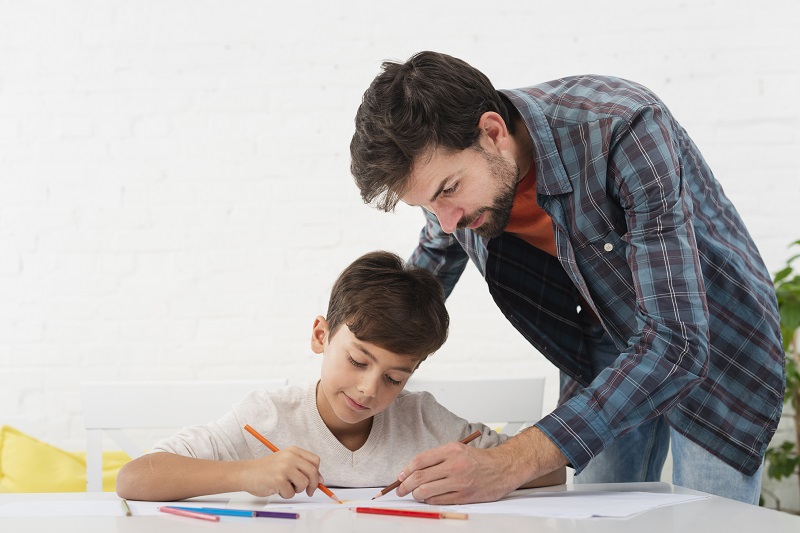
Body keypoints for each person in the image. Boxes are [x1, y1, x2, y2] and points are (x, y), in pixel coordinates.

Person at [349, 51, 785, 505]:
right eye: (427, 204)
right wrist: (340, 386)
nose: (447, 223)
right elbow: (419, 286)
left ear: (493, 133)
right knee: (597, 514)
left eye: (449, 191)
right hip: (604, 347)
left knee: (709, 522)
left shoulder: (624, 126)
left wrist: (506, 463)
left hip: (715, 344)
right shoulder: (448, 183)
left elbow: (676, 341)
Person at [115, 250, 565, 501]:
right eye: (357, 360)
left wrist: (486, 471)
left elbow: (551, 475)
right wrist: (245, 474)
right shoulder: (266, 419)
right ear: (320, 336)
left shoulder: (425, 421)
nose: (370, 389)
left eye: (395, 378)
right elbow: (133, 478)